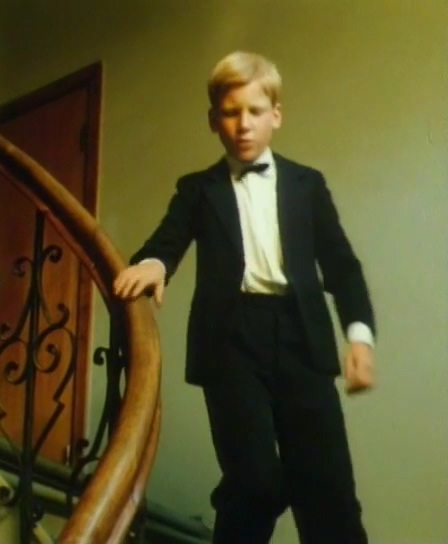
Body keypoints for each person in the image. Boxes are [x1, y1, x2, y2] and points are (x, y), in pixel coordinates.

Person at [113, 51, 376, 544]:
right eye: (231, 113)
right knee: (255, 484)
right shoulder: (198, 189)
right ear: (213, 120)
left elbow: (342, 266)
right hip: (231, 342)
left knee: (330, 492)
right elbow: (168, 240)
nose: (244, 124)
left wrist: (359, 336)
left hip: (302, 338)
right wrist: (154, 264)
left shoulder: (307, 185)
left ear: (276, 115)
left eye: (255, 111)